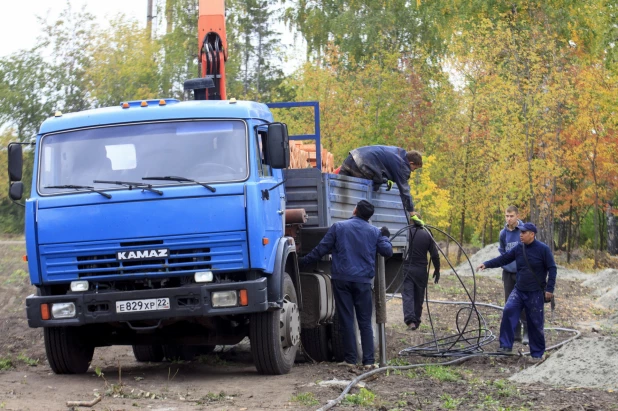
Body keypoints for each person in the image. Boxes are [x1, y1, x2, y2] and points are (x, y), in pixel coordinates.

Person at [300, 200, 393, 368]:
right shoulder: (374, 232)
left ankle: (350, 360)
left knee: (346, 319)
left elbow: (321, 249)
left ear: (355, 210)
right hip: (363, 282)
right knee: (364, 322)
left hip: (341, 279)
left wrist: (302, 262)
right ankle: (369, 361)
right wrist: (385, 237)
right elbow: (387, 251)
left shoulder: (339, 227)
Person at [477, 223, 557, 359]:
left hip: (535, 292)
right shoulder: (519, 248)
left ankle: (537, 354)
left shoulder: (543, 249)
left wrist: (549, 289)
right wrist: (487, 264)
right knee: (508, 310)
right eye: (520, 232)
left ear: (532, 234)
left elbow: (552, 268)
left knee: (535, 322)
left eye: (524, 232)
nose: (520, 234)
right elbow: (504, 258)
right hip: (519, 290)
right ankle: (505, 347)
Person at [338, 146, 422, 213]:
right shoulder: (402, 165)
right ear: (411, 163)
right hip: (362, 165)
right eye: (414, 168)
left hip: (351, 158)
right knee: (375, 186)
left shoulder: (397, 152)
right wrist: (411, 211)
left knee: (339, 188)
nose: (412, 171)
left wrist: (385, 179)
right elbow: (404, 190)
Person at [402, 212, 441, 331]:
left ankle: (410, 321)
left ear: (410, 221)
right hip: (421, 270)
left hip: (406, 268)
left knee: (408, 294)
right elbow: (434, 254)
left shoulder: (404, 233)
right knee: (419, 295)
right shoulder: (427, 234)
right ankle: (417, 320)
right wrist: (437, 269)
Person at [499, 206, 527, 344]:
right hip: (508, 273)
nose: (509, 218)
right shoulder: (503, 234)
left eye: (511, 216)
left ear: (517, 216)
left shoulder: (524, 231)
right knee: (510, 303)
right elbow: (503, 252)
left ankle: (527, 331)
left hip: (522, 273)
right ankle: (515, 333)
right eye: (506, 216)